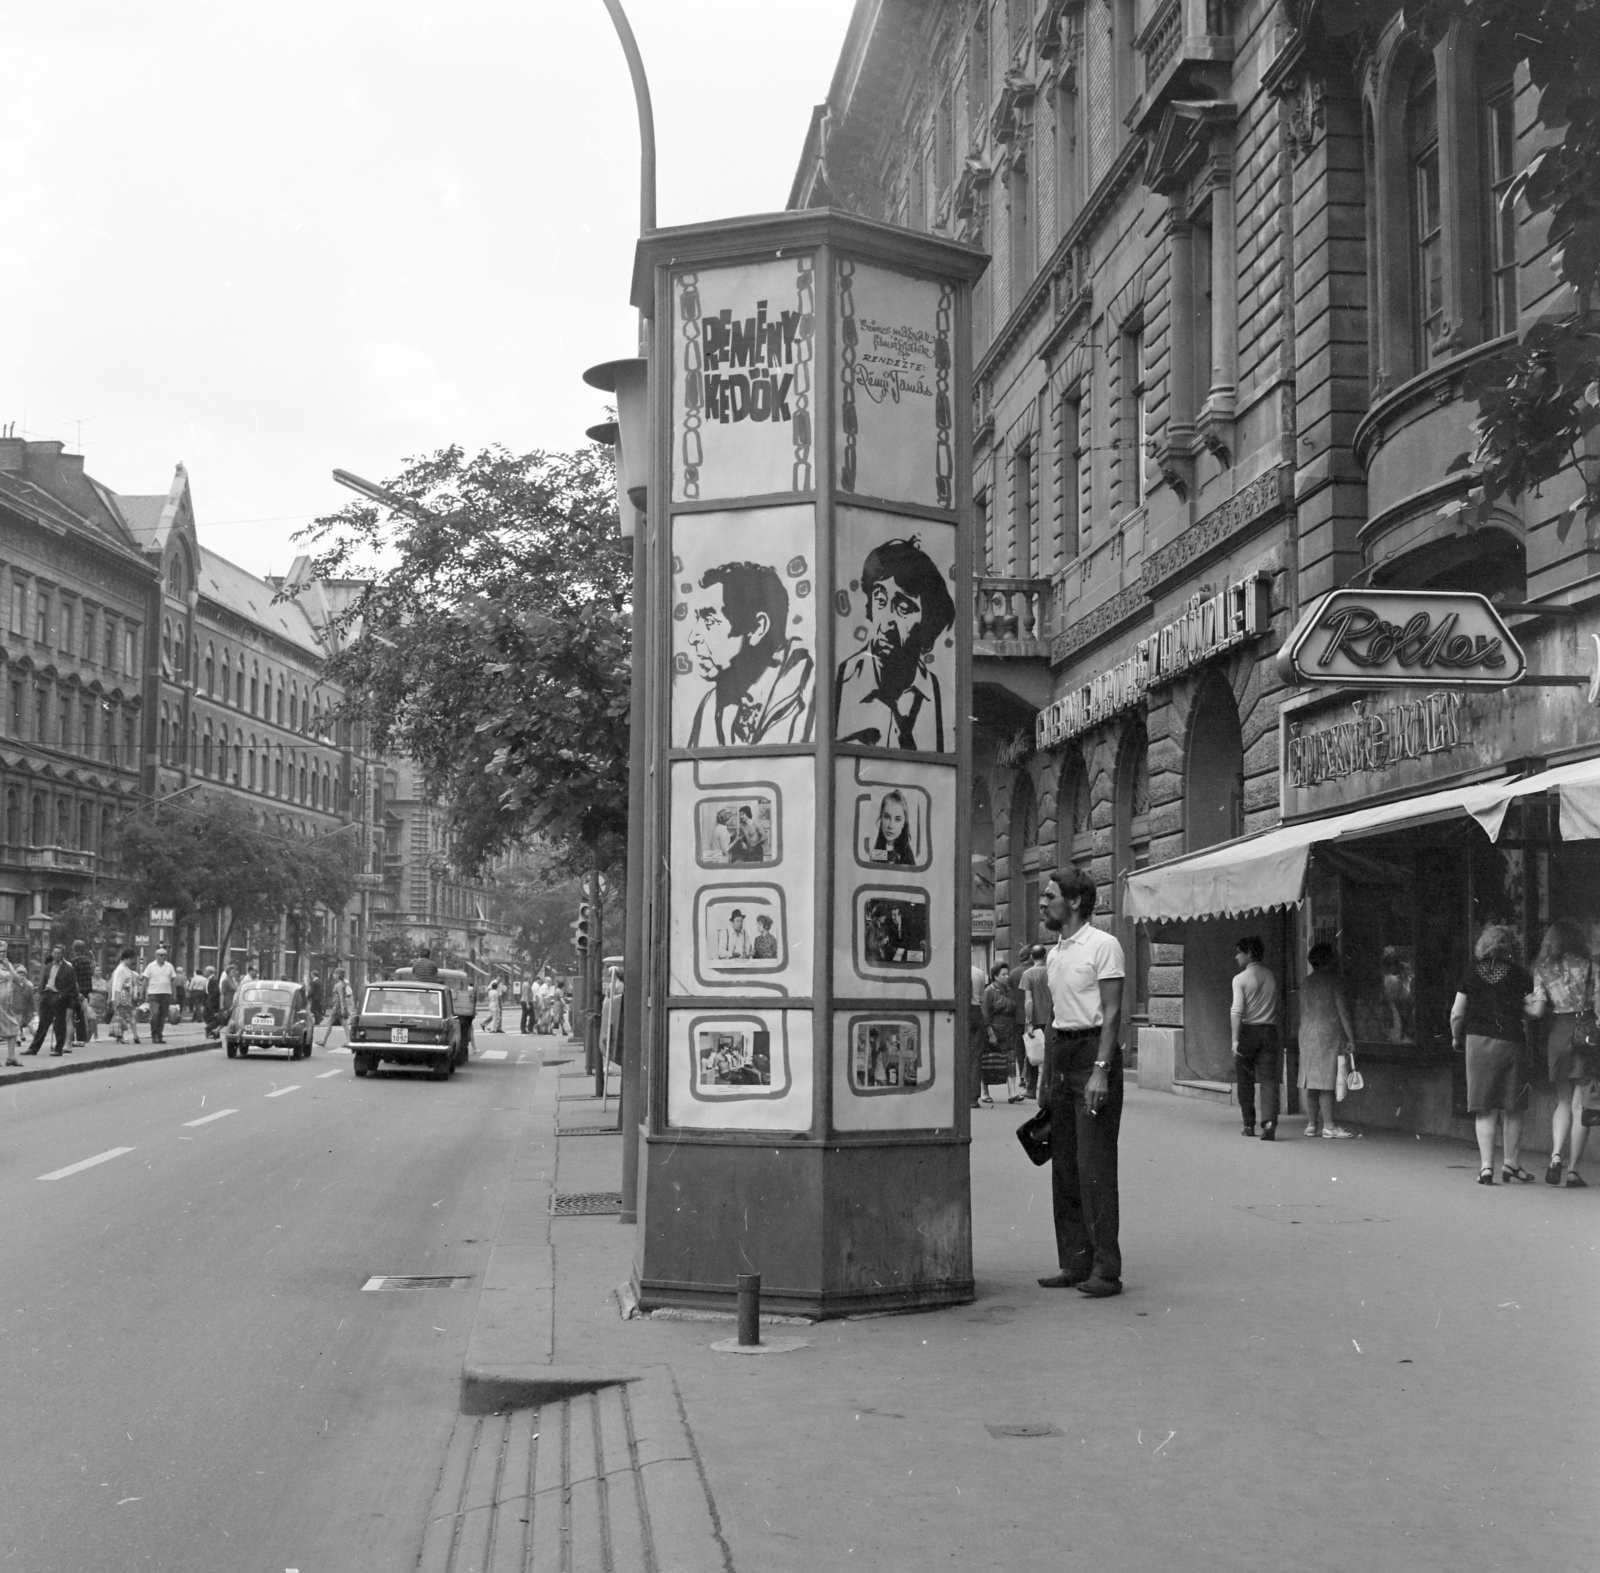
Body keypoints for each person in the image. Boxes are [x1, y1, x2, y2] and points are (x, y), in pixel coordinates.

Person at [1037, 867, 1125, 1298]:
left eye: (1049, 896)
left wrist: (1101, 1070)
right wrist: (1047, 1076)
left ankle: (1106, 1271)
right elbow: (1055, 1017)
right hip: (1063, 1056)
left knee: (1095, 1168)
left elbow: (1111, 1013)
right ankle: (1075, 1264)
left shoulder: (1103, 946)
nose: (1042, 903)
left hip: (1093, 1056)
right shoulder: (1055, 954)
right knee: (1065, 1167)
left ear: (1073, 902)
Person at [834, 536, 957, 751]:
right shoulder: (842, 680)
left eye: (902, 607)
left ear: (927, 622)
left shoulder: (940, 695)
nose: (887, 622)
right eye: (880, 601)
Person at [685, 561, 816, 747]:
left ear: (757, 628)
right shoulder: (710, 704)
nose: (693, 637)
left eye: (710, 621)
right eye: (698, 619)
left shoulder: (809, 692)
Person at [1450, 923, 1537, 1185]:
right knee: (1513, 1108)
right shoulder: (1519, 974)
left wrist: (1456, 1037)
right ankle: (1510, 1163)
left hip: (1478, 1043)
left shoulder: (1471, 972)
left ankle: (1486, 1168)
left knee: (1484, 1108)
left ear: (1483, 946)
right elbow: (1534, 1008)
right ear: (1509, 947)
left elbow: (1457, 1012)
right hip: (1512, 1042)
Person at [1527, 919, 1594, 1187]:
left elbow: (1537, 1011)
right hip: (1585, 1032)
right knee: (1581, 1105)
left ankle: (1555, 1155)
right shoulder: (1591, 967)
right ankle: (1573, 1170)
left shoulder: (1542, 969)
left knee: (1563, 1102)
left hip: (1559, 1032)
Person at [1298, 943, 1356, 1138]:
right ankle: (1329, 1125)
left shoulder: (1306, 982)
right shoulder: (1334, 981)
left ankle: (1312, 1124)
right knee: (1326, 1081)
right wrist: (1351, 1037)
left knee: (1311, 1081)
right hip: (1328, 1034)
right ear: (1329, 960)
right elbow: (1343, 1012)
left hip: (1306, 1033)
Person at [1231, 936, 1282, 1139]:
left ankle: (1248, 1124)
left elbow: (1237, 1010)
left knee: (1245, 1079)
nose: (1236, 957)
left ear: (1249, 953)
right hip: (1269, 1031)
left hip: (1248, 1032)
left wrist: (1235, 1039)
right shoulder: (1271, 976)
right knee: (1269, 1080)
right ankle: (1269, 1124)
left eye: (1239, 952)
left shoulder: (1240, 979)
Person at [24, 944, 79, 1057]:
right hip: (47, 995)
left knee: (59, 1024)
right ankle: (34, 1048)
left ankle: (58, 1049)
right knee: (43, 1024)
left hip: (58, 996)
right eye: (55, 953)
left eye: (59, 953)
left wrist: (61, 996)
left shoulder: (68, 969)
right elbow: (44, 981)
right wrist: (40, 992)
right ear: (52, 954)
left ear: (62, 955)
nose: (57, 955)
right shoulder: (49, 966)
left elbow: (72, 986)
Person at [980, 961, 1021, 1106]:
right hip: (995, 1031)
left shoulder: (1009, 990)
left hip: (1009, 1031)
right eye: (1003, 974)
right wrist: (990, 1034)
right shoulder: (989, 991)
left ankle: (1012, 1092)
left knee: (1010, 1061)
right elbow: (985, 1015)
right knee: (989, 1062)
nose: (1006, 976)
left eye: (1007, 973)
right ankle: (984, 1092)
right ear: (995, 976)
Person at [1019, 943, 1050, 1100]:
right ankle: (1048, 1088)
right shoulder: (1051, 971)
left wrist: (1029, 1021)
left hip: (1036, 1019)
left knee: (1032, 1053)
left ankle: (1031, 1089)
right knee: (1051, 1053)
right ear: (1045, 955)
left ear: (1031, 956)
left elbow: (1029, 1001)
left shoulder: (1028, 974)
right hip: (1052, 1018)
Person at [142, 947, 178, 1044]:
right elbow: (145, 980)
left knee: (162, 1016)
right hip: (154, 993)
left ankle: (159, 1035)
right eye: (161, 955)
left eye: (165, 955)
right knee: (154, 1014)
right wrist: (142, 993)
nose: (163, 957)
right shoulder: (151, 966)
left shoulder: (169, 966)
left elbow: (173, 981)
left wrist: (174, 993)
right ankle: (154, 1034)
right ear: (156, 956)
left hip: (166, 993)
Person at [871, 791, 916, 866]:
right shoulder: (876, 853)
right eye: (886, 817)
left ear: (904, 823)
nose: (890, 826)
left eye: (897, 819)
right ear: (881, 818)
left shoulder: (908, 858)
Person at [0, 949, 27, 1066]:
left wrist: (9, 967)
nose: (2, 953)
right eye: (0, 951)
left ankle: (11, 1057)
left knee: (14, 1027)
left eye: (4, 951)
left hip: (6, 1004)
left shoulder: (8, 965)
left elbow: (17, 980)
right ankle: (10, 1057)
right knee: (13, 1026)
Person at [110, 948, 140, 1045]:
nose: (132, 961)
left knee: (123, 1016)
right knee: (126, 1015)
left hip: (125, 995)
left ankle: (125, 1035)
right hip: (123, 995)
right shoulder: (122, 969)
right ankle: (127, 1036)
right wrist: (117, 998)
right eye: (131, 959)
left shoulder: (124, 968)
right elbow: (118, 985)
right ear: (127, 958)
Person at [319, 966, 354, 1049]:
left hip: (337, 1006)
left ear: (338, 975)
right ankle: (349, 1041)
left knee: (330, 1022)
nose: (333, 975)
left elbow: (341, 997)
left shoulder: (339, 985)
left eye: (334, 974)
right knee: (344, 1024)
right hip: (339, 1006)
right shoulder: (342, 984)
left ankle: (324, 1040)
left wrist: (342, 1008)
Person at [69, 939, 96, 1044]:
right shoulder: (87, 960)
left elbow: (71, 977)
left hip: (76, 991)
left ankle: (71, 1038)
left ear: (74, 949)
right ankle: (81, 1037)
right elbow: (92, 972)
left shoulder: (74, 961)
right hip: (85, 992)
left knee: (71, 1015)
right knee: (81, 1015)